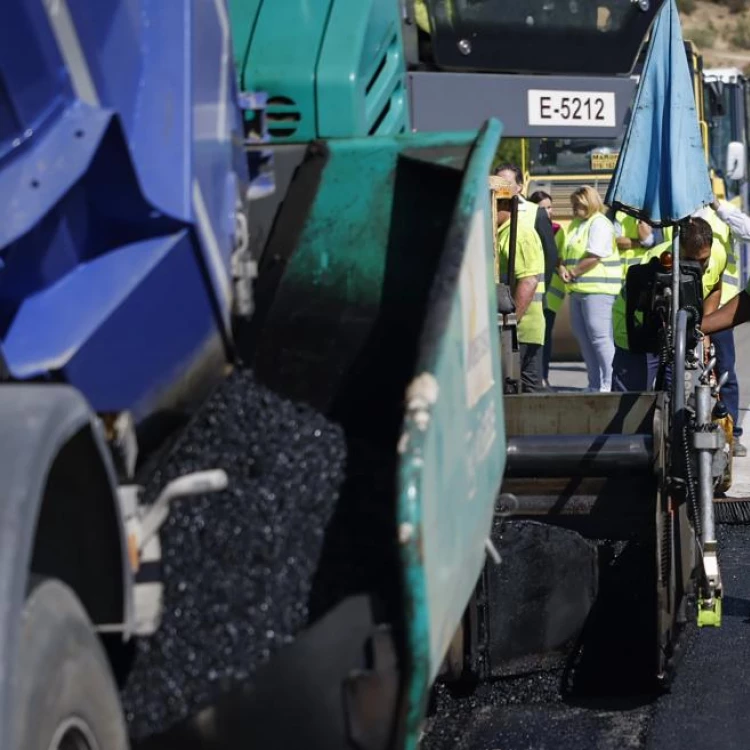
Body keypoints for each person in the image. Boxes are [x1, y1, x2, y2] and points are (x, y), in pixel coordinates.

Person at [611, 217, 719, 392]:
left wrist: (703, 327)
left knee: (678, 396)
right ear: (678, 251)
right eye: (691, 260)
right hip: (637, 328)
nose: (698, 267)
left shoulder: (718, 254)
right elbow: (644, 310)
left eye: (703, 260)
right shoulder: (653, 262)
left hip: (677, 331)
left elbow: (716, 286)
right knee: (632, 404)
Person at [559, 186, 621, 392]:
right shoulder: (577, 224)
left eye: (578, 204)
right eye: (573, 204)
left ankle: (608, 383)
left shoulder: (600, 223)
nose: (574, 208)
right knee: (584, 338)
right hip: (579, 290)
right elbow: (565, 252)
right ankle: (595, 383)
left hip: (599, 290)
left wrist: (573, 272)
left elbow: (595, 255)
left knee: (600, 337)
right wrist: (562, 268)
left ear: (589, 203)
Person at [495, 191, 546, 392]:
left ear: (505, 205)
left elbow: (528, 281)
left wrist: (510, 326)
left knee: (522, 395)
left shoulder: (519, 234)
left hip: (521, 331)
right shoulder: (504, 232)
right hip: (517, 331)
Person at [493, 164, 559, 292]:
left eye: (507, 183)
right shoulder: (490, 212)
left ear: (519, 187)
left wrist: (543, 291)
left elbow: (550, 256)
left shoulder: (537, 213)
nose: (501, 187)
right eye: (498, 182)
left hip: (529, 293)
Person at [529, 190, 566, 390]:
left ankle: (543, 376)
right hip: (534, 291)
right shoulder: (528, 227)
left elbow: (558, 256)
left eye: (550, 207)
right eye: (543, 208)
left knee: (545, 337)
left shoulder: (558, 229)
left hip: (550, 293)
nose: (548, 212)